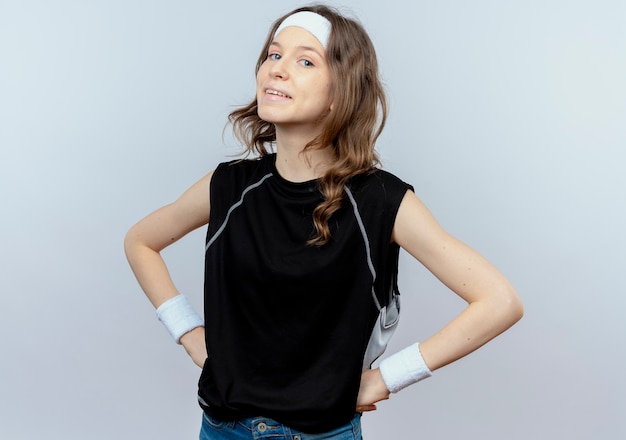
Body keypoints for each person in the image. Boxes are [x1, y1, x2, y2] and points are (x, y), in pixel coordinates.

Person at [124, 4, 524, 439]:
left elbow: (499, 301)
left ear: (340, 92)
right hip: (222, 428)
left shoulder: (380, 200)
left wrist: (388, 376)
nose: (277, 70)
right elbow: (140, 241)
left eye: (306, 60)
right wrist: (189, 334)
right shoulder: (229, 187)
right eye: (274, 55)